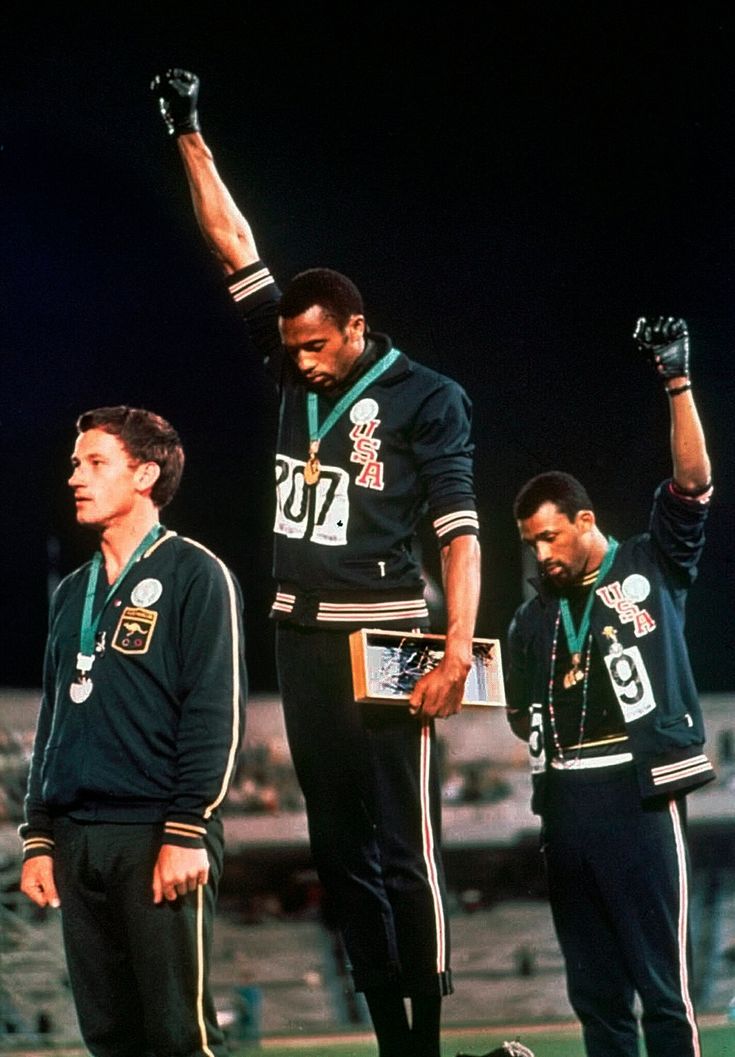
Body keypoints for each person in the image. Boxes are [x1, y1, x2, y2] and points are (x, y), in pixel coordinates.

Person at [150, 69, 481, 1057]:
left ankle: (426, 1036)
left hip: (386, 640)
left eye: (314, 348)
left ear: (354, 328)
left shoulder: (429, 398)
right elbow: (235, 248)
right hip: (300, 636)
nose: (297, 363)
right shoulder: (290, 357)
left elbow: (461, 532)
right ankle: (389, 1038)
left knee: (403, 851)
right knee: (339, 856)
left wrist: (456, 646)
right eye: (289, 349)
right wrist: (189, 132)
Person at [505, 317, 715, 1057]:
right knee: (594, 997)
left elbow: (691, 486)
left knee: (661, 991)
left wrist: (675, 379)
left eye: (549, 536)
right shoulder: (529, 620)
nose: (540, 552)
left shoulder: (646, 565)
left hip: (637, 792)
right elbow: (513, 714)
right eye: (530, 541)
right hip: (561, 803)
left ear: (584, 520)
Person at [19, 405, 247, 1057]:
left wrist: (186, 828)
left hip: (156, 834)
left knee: (180, 1036)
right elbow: (53, 719)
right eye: (74, 463)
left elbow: (213, 712)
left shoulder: (195, 574)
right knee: (110, 1037)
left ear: (145, 474)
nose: (75, 477)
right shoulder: (71, 593)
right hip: (75, 839)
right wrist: (38, 836)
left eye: (95, 463)